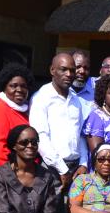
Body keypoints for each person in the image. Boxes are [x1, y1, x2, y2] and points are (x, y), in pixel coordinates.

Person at [30, 52, 88, 185]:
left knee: (74, 206)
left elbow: (80, 134)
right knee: (51, 206)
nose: (69, 74)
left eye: (72, 70)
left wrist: (83, 163)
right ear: (52, 70)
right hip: (52, 168)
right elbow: (41, 137)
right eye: (63, 69)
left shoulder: (75, 100)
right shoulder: (41, 98)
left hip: (76, 169)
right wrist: (62, 169)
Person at [0, 64, 34, 168]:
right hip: (10, 173)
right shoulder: (0, 109)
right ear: (4, 87)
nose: (19, 90)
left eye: (23, 86)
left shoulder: (28, 110)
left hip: (29, 171)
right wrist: (13, 170)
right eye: (13, 86)